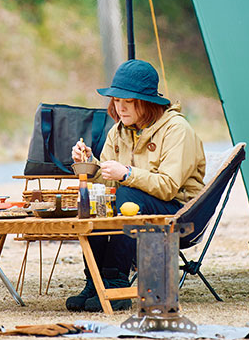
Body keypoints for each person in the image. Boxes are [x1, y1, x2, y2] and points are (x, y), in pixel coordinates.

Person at [65, 59, 206, 312]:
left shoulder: (177, 130)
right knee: (97, 197)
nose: (120, 108)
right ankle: (95, 281)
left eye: (128, 102)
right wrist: (90, 164)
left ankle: (116, 282)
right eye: (117, 101)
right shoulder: (119, 131)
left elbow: (168, 186)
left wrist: (127, 173)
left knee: (129, 196)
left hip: (181, 211)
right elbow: (108, 181)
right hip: (136, 205)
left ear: (147, 102)